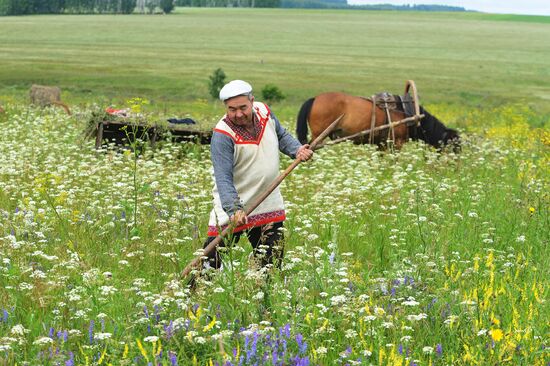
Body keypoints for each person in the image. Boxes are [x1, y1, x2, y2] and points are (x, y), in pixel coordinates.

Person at [201, 79, 313, 275]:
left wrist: (297, 150)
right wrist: (233, 209)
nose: (238, 114)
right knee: (210, 264)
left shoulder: (264, 112)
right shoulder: (222, 134)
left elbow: (281, 135)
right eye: (231, 109)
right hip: (235, 207)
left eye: (243, 107)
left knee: (270, 265)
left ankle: (265, 304)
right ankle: (193, 300)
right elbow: (223, 177)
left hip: (267, 202)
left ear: (252, 101)